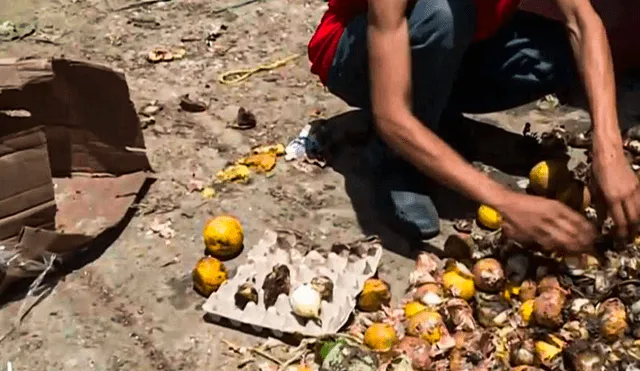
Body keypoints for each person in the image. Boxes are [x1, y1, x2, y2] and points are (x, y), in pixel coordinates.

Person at [307, 0, 640, 253]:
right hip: (355, 53)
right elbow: (390, 113)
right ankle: (398, 160)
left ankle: (432, 118)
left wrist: (609, 150)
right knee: (443, 15)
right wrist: (506, 200)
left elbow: (583, 23)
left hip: (460, 41)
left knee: (555, 53)